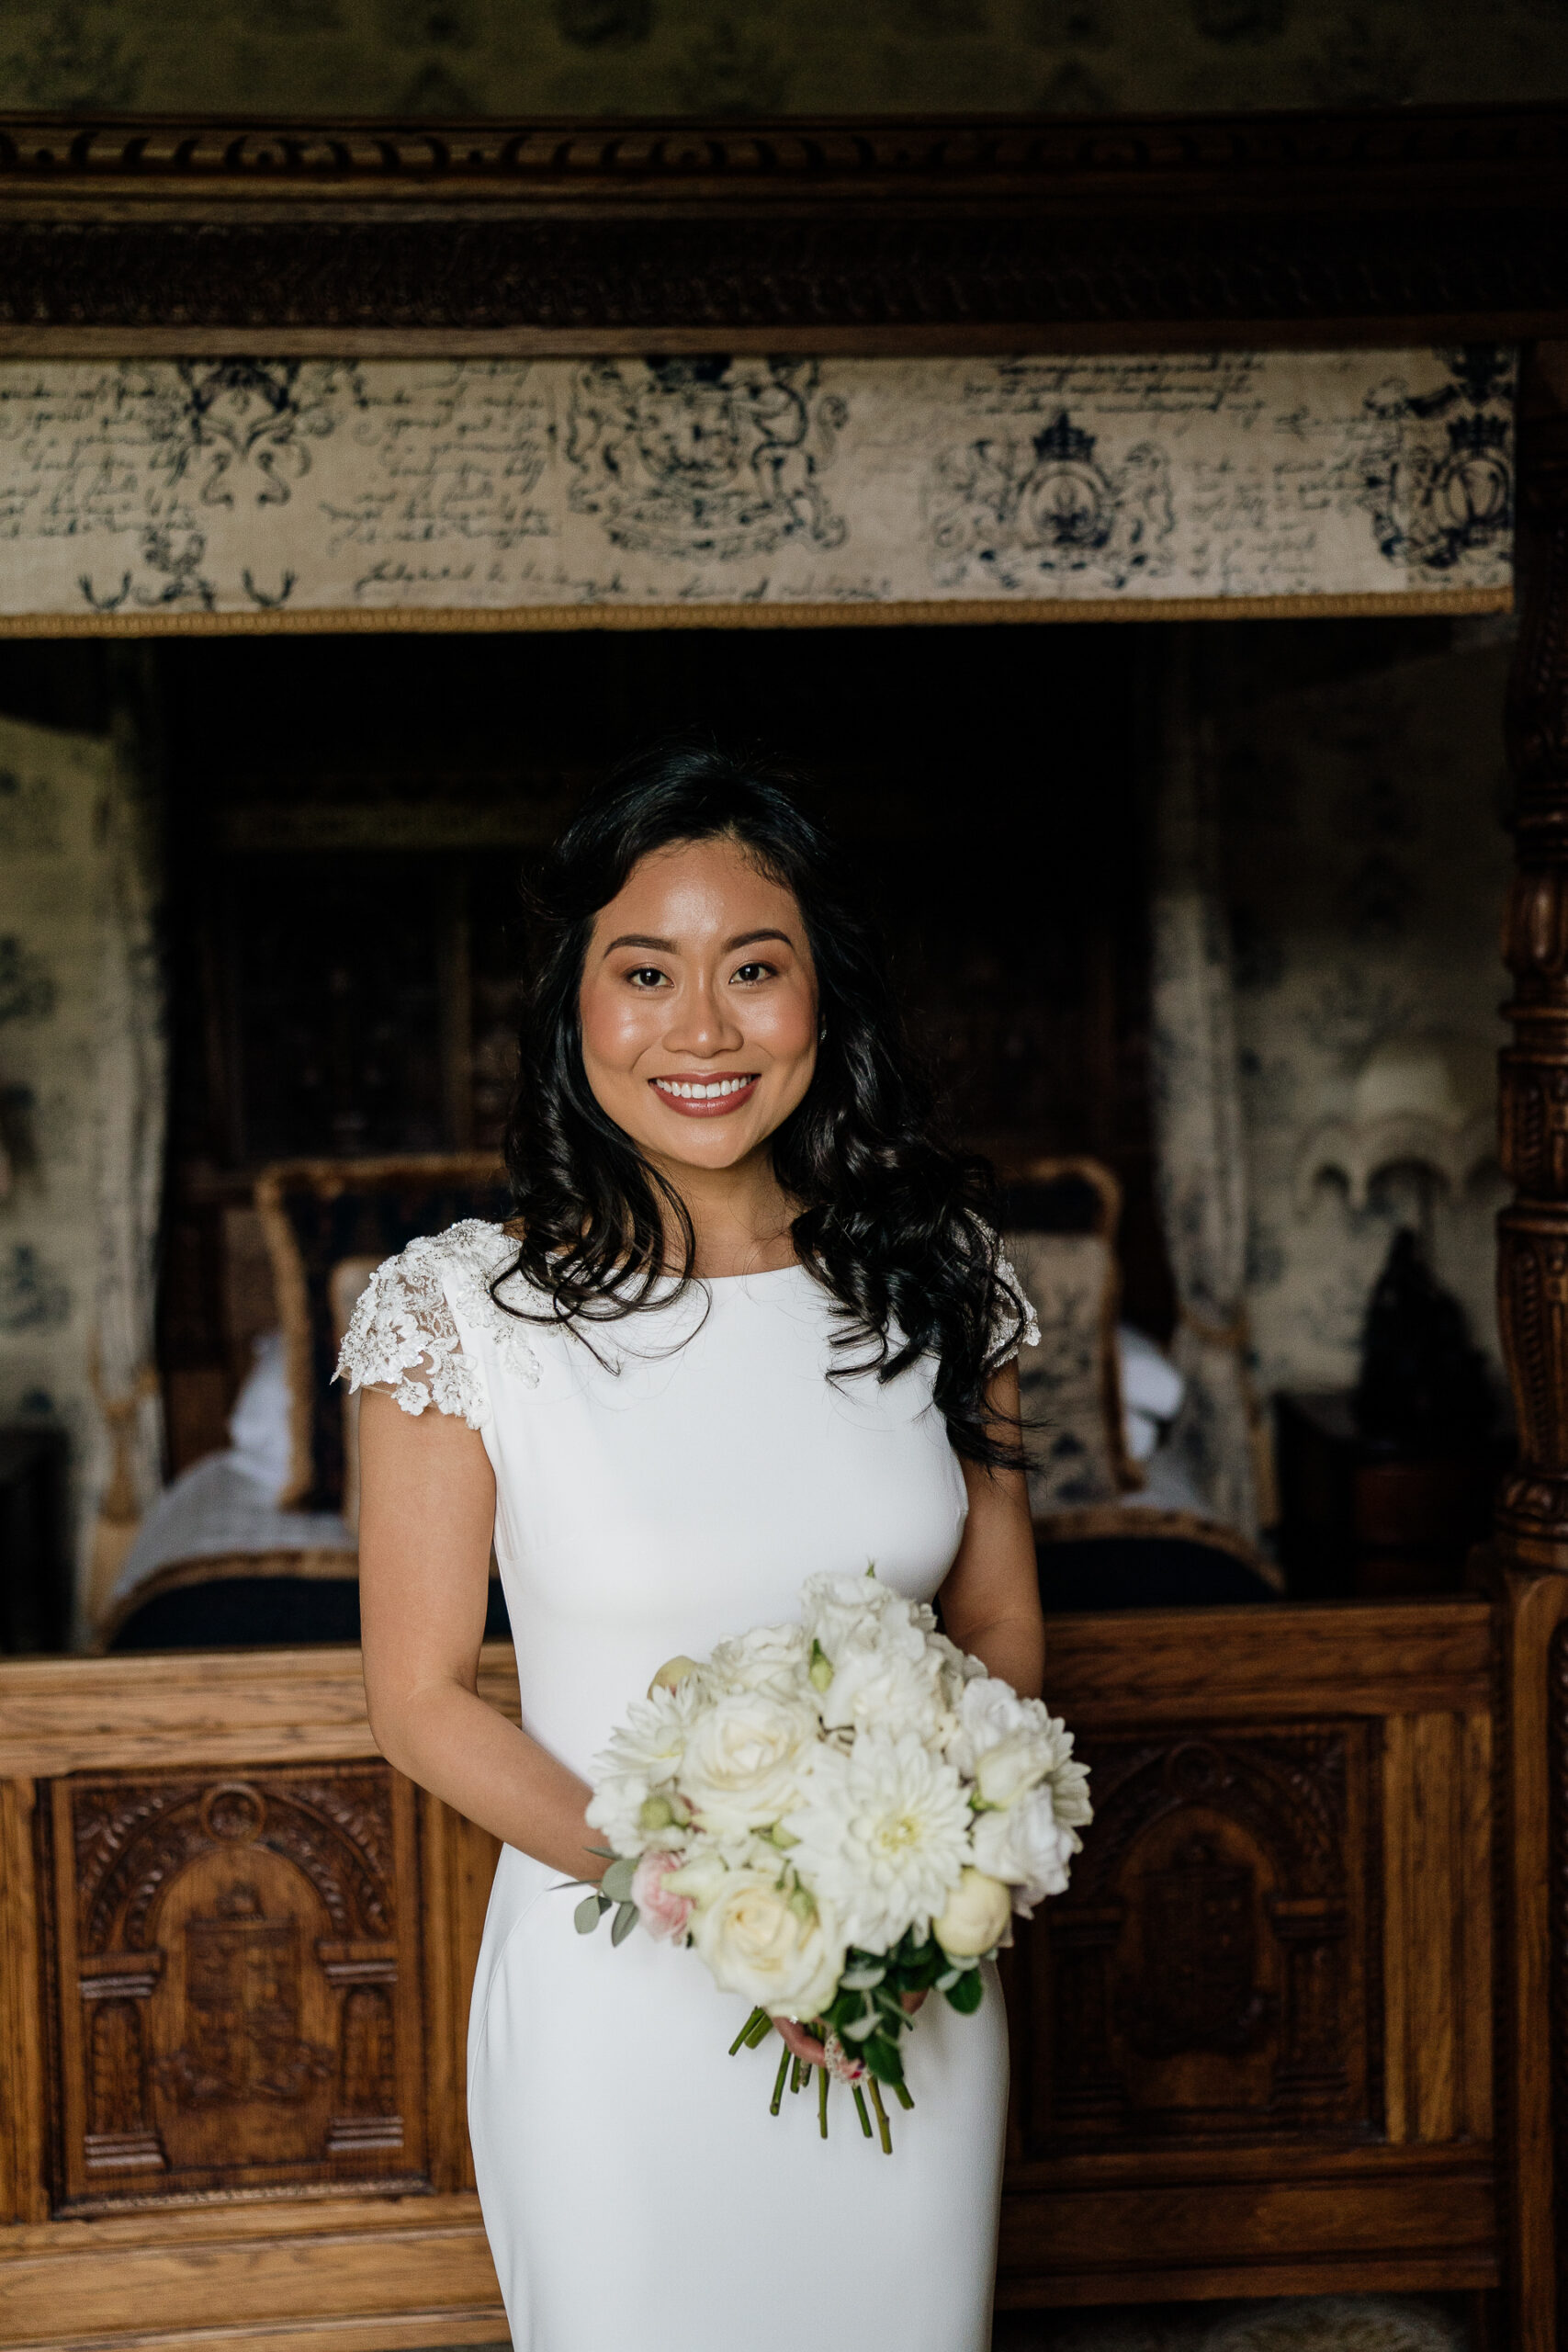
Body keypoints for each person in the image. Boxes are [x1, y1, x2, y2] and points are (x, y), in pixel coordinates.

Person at [340, 741, 1045, 2352]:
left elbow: (1002, 1648)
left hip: (904, 1998)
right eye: (645, 972)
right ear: (574, 1006)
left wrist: (901, 1901)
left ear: (824, 1000)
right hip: (620, 1999)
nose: (703, 1030)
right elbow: (423, 1700)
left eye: (755, 970)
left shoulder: (945, 1281)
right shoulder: (459, 1315)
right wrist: (714, 1896)